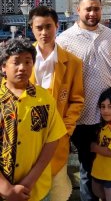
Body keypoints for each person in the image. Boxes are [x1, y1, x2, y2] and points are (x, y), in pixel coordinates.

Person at [56, 0, 111, 201]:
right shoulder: (64, 40)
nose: (93, 13)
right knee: (87, 167)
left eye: (97, 8)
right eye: (88, 9)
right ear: (78, 10)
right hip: (82, 115)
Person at [28, 6, 84, 201]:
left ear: (57, 26)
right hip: (26, 139)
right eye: (39, 27)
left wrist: (65, 130)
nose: (44, 32)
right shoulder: (21, 61)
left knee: (57, 189)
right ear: (31, 28)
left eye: (48, 27)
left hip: (56, 138)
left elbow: (77, 100)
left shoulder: (73, 63)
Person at [0, 38, 67, 201]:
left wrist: (29, 182)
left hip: (35, 190)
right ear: (3, 67)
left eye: (28, 62)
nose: (22, 68)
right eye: (16, 62)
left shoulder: (44, 98)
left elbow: (52, 140)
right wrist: (5, 188)